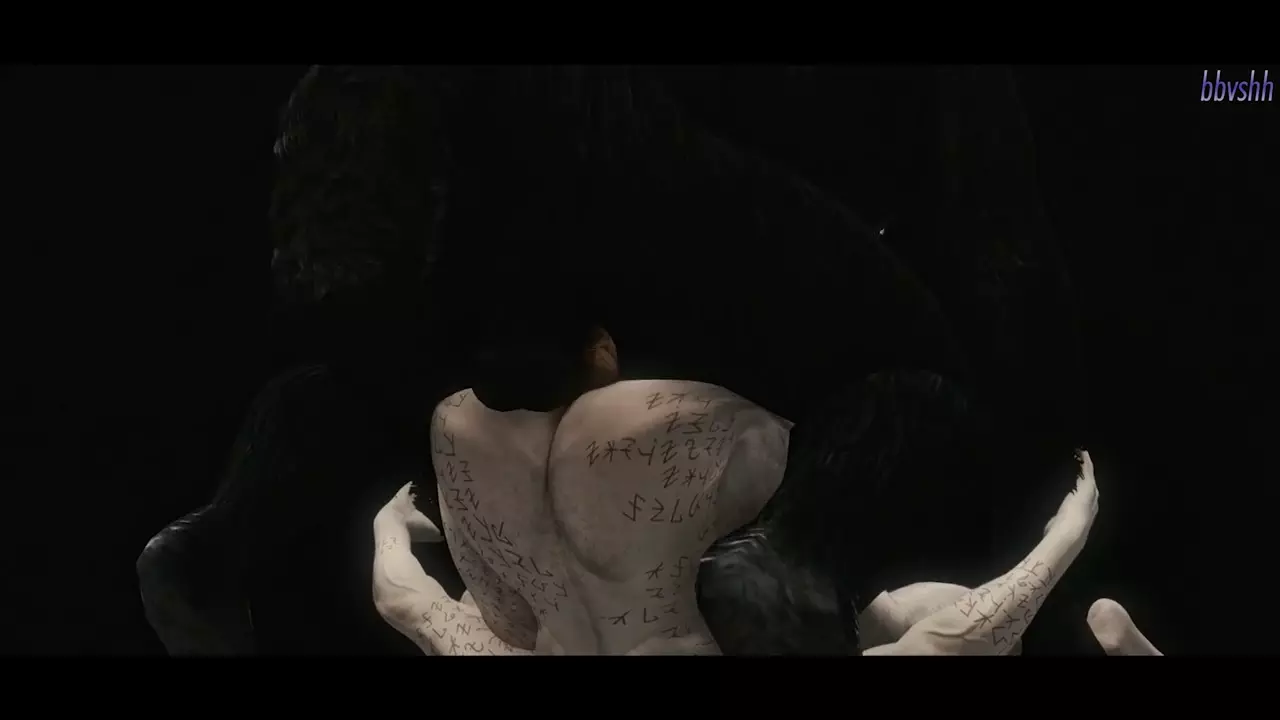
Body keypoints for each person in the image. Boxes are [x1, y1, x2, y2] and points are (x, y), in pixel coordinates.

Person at [141, 65, 1082, 655]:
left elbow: (419, 606)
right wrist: (1051, 510)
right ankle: (792, 556)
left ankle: (221, 536)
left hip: (525, 231)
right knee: (915, 392)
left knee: (363, 388)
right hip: (676, 240)